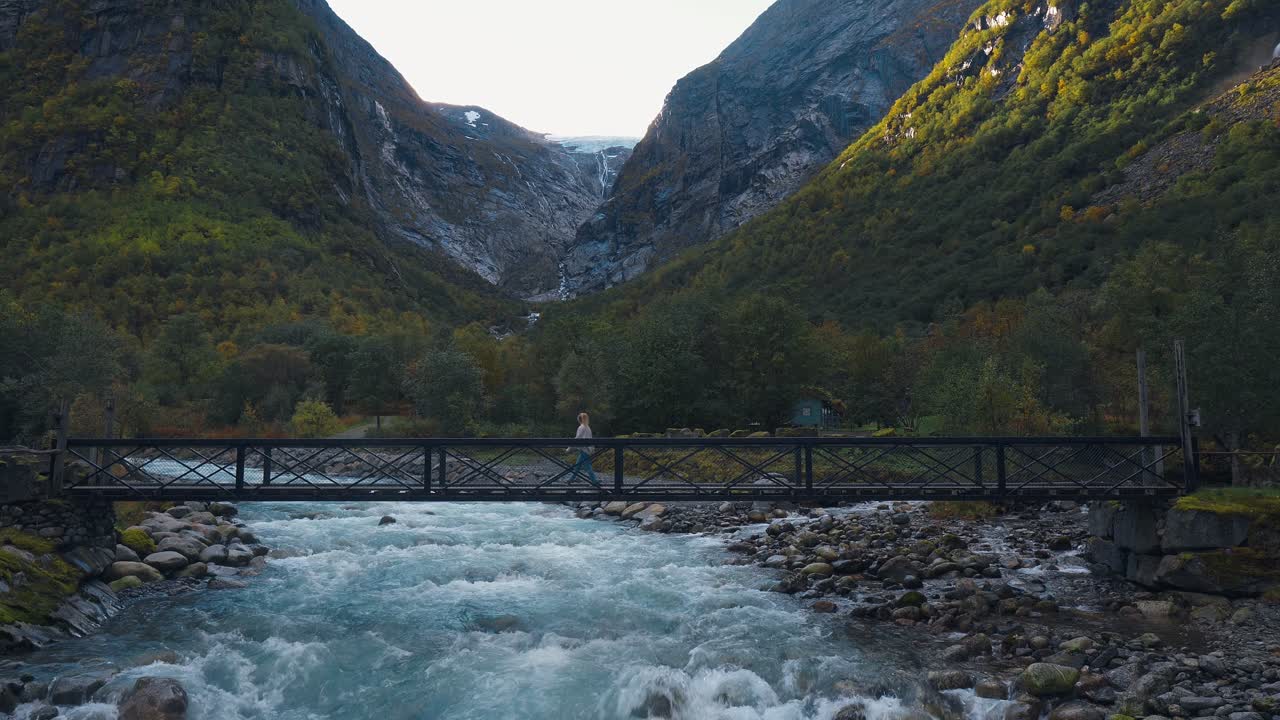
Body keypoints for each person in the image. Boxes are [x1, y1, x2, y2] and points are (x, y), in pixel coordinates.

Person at [568, 412, 598, 485]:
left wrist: (569, 448)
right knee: (577, 466)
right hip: (587, 449)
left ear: (579, 419)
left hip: (585, 449)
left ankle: (595, 482)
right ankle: (570, 479)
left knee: (587, 466)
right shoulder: (587, 427)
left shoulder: (581, 427)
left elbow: (577, 438)